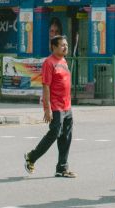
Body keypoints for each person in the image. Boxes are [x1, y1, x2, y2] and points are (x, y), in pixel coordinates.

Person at [24, 35, 76, 178]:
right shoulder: (49, 62)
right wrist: (47, 109)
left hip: (67, 106)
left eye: (66, 45)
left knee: (66, 137)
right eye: (62, 45)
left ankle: (62, 168)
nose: (65, 47)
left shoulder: (64, 61)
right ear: (53, 47)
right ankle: (31, 157)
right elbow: (46, 86)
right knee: (54, 134)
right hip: (56, 106)